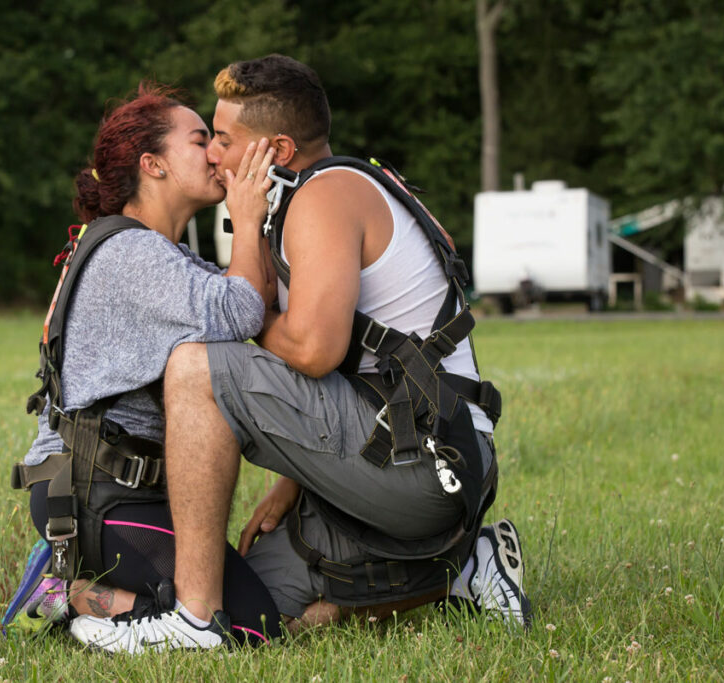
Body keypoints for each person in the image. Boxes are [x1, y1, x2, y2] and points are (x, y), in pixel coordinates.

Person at [69, 55, 531, 654]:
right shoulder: (314, 197)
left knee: (195, 365)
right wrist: (289, 485)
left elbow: (313, 349)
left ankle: (192, 620)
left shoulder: (325, 196)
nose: (214, 154)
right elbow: (332, 365)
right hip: (404, 449)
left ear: (279, 149)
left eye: (225, 140)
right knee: (258, 611)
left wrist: (243, 301)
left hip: (429, 461)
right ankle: (466, 574)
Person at [2, 83, 282, 649]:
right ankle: (70, 594)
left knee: (258, 606)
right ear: (151, 164)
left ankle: (76, 583)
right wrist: (246, 220)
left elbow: (249, 296)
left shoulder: (158, 251)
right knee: (250, 628)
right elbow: (242, 309)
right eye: (201, 139)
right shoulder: (131, 254)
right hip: (99, 498)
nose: (215, 153)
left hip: (118, 492)